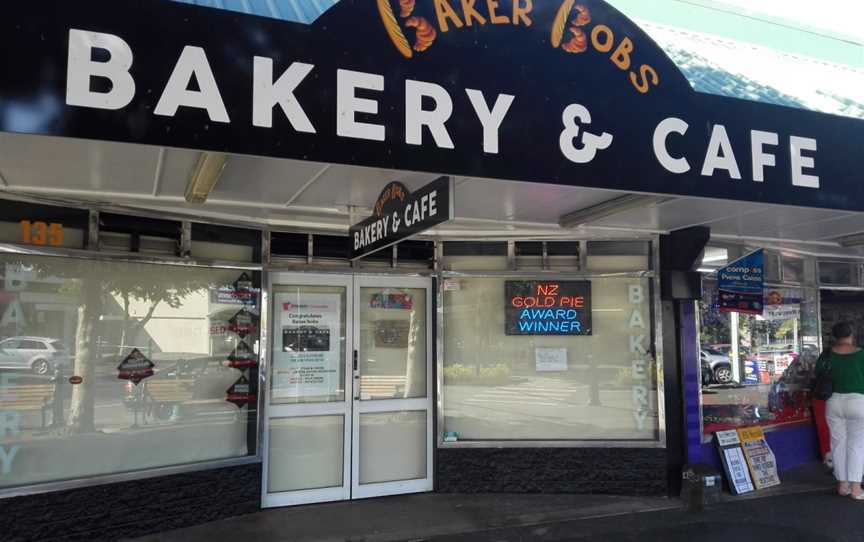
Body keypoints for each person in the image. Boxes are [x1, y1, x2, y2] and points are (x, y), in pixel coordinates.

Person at [824, 322, 864, 499]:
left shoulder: (827, 354)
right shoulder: (861, 354)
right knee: (857, 445)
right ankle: (856, 489)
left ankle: (842, 485)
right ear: (851, 334)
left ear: (835, 336)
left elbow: (818, 373)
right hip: (858, 401)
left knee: (838, 444)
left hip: (834, 401)